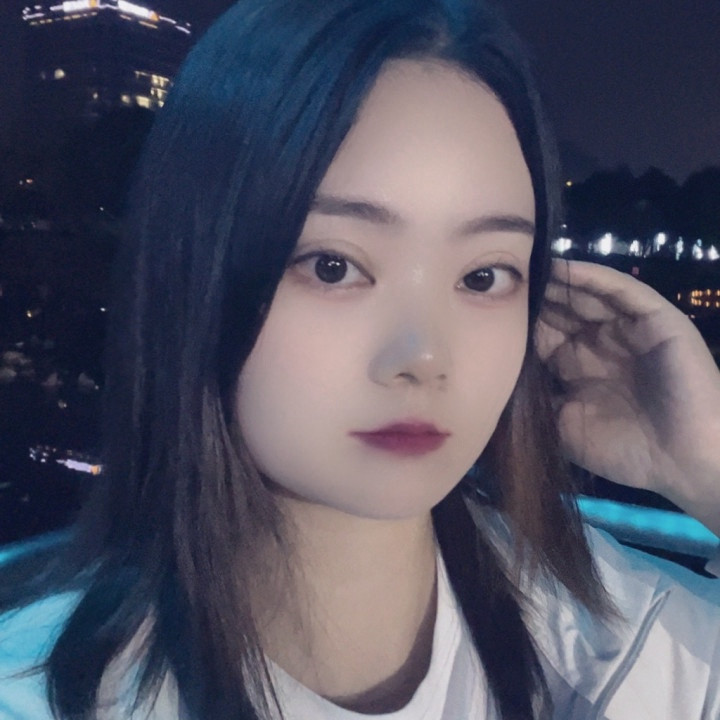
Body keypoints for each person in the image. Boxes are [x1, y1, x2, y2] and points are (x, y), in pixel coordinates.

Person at [1, 0, 719, 718]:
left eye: (483, 276)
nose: (425, 357)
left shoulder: (646, 655)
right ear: (194, 273)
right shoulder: (43, 694)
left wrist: (709, 466)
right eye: (334, 266)